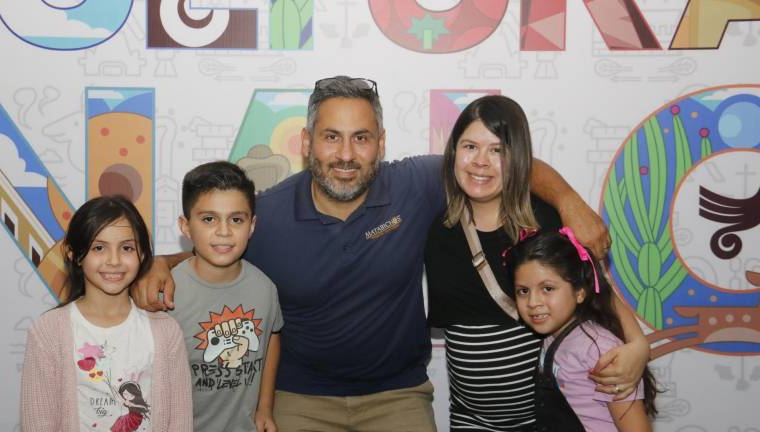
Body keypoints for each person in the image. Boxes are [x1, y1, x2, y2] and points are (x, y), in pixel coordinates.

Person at [133, 76, 612, 431]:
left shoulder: (415, 184)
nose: (346, 154)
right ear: (306, 143)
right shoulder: (270, 214)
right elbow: (217, 246)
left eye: (361, 138)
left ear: (380, 144)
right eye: (331, 137)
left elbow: (506, 165)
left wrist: (569, 200)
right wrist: (160, 263)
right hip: (299, 400)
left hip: (397, 397)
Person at [424, 95, 650, 431]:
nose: (481, 161)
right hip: (471, 420)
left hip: (545, 420)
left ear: (518, 158)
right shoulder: (437, 230)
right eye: (470, 146)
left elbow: (600, 293)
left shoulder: (548, 222)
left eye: (497, 150)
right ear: (454, 151)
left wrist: (639, 346)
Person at [20, 195, 192, 432]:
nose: (114, 261)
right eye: (99, 248)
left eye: (127, 248)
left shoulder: (166, 332)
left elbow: (180, 422)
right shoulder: (49, 332)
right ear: (73, 253)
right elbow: (38, 423)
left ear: (142, 254)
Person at [170, 161, 283, 432]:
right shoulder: (167, 294)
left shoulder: (265, 288)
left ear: (252, 225)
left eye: (236, 219)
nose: (224, 231)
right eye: (209, 219)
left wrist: (264, 408)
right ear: (185, 226)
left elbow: (272, 338)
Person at [508, 228, 658, 431]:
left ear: (580, 292)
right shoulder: (551, 336)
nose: (533, 302)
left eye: (548, 289)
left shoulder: (600, 350)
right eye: (523, 291)